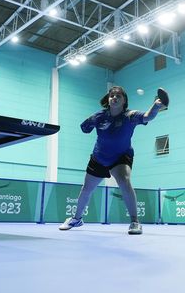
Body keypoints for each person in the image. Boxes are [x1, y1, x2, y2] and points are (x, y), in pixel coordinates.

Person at [59, 86, 166, 235]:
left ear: (124, 101)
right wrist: (91, 121)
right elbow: (84, 128)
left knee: (124, 181)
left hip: (121, 156)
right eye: (112, 96)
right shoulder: (100, 116)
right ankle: (76, 219)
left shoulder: (130, 116)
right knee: (86, 189)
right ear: (108, 100)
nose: (114, 97)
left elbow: (148, 116)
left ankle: (135, 221)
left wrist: (156, 105)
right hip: (99, 157)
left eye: (118, 96)